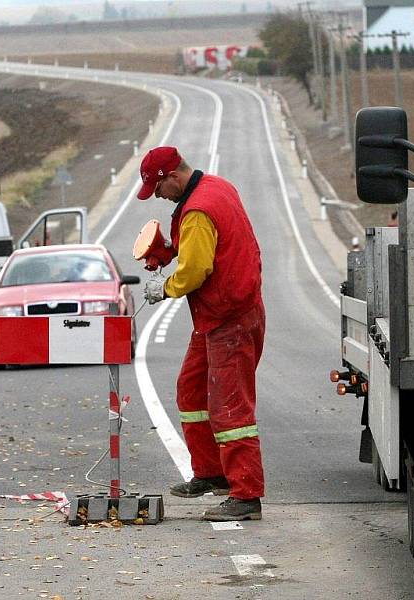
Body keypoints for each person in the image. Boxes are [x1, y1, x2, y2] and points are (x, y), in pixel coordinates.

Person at [137, 146, 266, 521]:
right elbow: (198, 246)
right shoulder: (215, 188)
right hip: (221, 316)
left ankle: (246, 496)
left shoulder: (196, 210)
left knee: (230, 408)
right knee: (191, 391)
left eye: (158, 191)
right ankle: (212, 473)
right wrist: (166, 252)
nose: (159, 198)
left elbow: (195, 269)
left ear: (173, 178)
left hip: (230, 319)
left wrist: (164, 287)